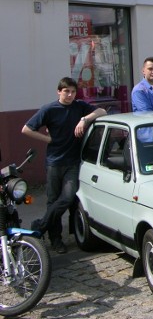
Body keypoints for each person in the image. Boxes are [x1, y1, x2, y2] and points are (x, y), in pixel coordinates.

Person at [22, 77, 107, 253]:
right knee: (53, 200)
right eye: (66, 91)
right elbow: (26, 129)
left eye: (73, 91)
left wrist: (84, 119)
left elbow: (102, 111)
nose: (69, 95)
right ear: (59, 91)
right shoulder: (49, 109)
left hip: (72, 162)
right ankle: (55, 239)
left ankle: (40, 226)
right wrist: (47, 139)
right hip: (54, 162)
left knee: (68, 197)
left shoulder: (79, 106)